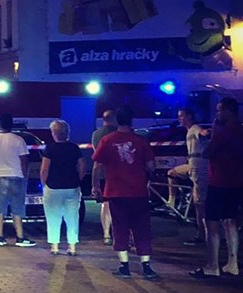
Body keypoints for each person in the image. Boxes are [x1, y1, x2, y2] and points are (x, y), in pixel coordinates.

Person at [92, 105, 159, 280]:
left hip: (116, 192)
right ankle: (146, 266)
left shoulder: (107, 140)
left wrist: (95, 186)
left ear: (116, 120)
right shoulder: (141, 141)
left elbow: (97, 165)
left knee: (120, 228)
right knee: (142, 228)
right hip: (138, 192)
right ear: (132, 120)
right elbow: (151, 166)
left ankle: (125, 266)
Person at [192, 96, 243, 279]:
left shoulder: (222, 132)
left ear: (228, 111)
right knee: (230, 221)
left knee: (211, 222)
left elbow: (208, 153)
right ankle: (232, 263)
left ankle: (212, 265)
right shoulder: (240, 129)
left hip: (219, 182)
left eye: (219, 110)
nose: (217, 114)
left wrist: (213, 132)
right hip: (236, 182)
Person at [0, 113, 35, 247]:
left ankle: (0, 237)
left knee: (0, 208)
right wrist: (25, 175)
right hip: (17, 176)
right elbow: (24, 160)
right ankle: (20, 237)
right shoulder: (18, 140)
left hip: (0, 176)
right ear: (12, 124)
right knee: (17, 208)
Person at [40, 119, 86, 256]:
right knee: (72, 217)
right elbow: (82, 165)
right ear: (67, 133)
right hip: (72, 187)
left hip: (53, 188)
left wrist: (44, 184)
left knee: (53, 217)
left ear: (54, 133)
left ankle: (55, 246)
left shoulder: (49, 149)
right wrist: (79, 178)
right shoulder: (74, 148)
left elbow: (45, 169)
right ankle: (72, 247)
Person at [166, 106, 209, 245]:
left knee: (200, 205)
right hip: (193, 167)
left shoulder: (195, 128)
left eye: (182, 116)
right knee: (171, 173)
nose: (179, 118)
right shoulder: (189, 131)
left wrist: (208, 132)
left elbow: (203, 133)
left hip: (198, 169)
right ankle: (176, 200)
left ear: (189, 116)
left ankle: (203, 235)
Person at [91, 110, 117, 245]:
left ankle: (106, 234)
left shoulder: (96, 134)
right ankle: (120, 233)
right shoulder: (117, 133)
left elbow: (97, 157)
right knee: (120, 204)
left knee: (105, 204)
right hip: (117, 173)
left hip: (102, 173)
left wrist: (94, 184)